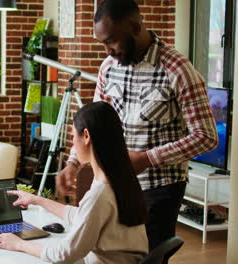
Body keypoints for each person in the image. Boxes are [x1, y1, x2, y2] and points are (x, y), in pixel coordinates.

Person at [57, 0, 218, 251]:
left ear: (135, 27)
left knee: (149, 258)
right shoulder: (108, 68)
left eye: (112, 41)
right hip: (114, 185)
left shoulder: (178, 69)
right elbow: (94, 125)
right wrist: (73, 163)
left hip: (159, 189)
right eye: (103, 44)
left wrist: (147, 158)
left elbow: (206, 136)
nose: (108, 51)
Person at [0, 102, 148, 264]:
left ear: (86, 136)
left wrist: (18, 244)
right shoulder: (120, 178)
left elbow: (65, 255)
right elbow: (84, 216)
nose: (73, 144)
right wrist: (37, 200)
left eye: (73, 136)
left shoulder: (100, 193)